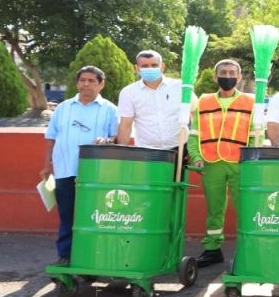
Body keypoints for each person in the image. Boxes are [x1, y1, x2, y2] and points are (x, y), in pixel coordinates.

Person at [41, 66, 118, 264]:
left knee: (95, 215)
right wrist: (47, 165)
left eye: (92, 80)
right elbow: (50, 138)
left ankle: (95, 256)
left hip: (96, 174)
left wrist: (107, 140)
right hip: (65, 171)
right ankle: (66, 256)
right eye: (82, 80)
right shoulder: (63, 108)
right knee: (67, 215)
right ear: (77, 83)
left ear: (101, 84)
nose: (86, 84)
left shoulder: (109, 109)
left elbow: (117, 138)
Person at [187, 59, 257, 268]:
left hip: (240, 163)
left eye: (232, 72)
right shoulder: (204, 101)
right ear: (215, 76)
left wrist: (252, 160)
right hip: (210, 162)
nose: (228, 76)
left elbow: (256, 134)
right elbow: (194, 134)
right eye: (223, 72)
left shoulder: (251, 102)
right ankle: (212, 249)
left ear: (239, 76)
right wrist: (196, 157)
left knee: (245, 207)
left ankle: (248, 248)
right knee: (214, 208)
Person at [116, 50, 187, 149]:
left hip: (180, 150)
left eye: (154, 65)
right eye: (144, 66)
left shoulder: (180, 87)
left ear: (162, 66)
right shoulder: (128, 92)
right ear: (137, 68)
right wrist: (120, 152)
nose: (150, 69)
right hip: (146, 151)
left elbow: (194, 115)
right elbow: (126, 125)